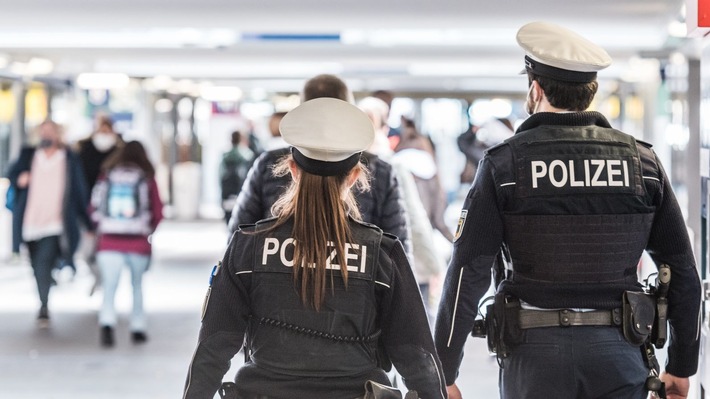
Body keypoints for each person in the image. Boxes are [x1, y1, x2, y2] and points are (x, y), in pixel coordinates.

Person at [435, 21, 701, 399]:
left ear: (535, 88)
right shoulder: (642, 164)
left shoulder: (505, 166)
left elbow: (467, 272)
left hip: (534, 354)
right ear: (590, 93)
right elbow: (681, 268)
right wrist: (682, 365)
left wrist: (442, 370)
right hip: (621, 350)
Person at [183, 98, 446, 399]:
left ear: (293, 170)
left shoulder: (247, 248)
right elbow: (417, 357)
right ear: (354, 176)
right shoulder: (383, 254)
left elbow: (212, 349)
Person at [227, 74, 411, 259]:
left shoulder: (269, 163)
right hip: (360, 281)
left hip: (273, 277)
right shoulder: (379, 169)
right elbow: (398, 252)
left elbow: (238, 238)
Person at [359, 96, 446, 317]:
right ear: (385, 127)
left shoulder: (344, 164)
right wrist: (433, 265)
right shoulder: (391, 166)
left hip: (359, 267)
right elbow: (413, 221)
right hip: (395, 263)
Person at [6, 119, 92, 327]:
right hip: (30, 221)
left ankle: (43, 306)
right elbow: (12, 173)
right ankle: (45, 289)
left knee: (44, 260)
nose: (46, 135)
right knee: (36, 263)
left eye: (50, 131)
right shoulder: (29, 155)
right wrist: (20, 178)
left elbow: (79, 191)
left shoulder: (68, 158)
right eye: (42, 131)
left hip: (56, 222)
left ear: (58, 134)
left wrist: (88, 222)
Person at [90, 141, 164, 347]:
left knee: (109, 286)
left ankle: (107, 323)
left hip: (109, 240)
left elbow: (93, 207)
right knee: (137, 285)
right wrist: (148, 230)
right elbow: (158, 210)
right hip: (137, 242)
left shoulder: (107, 174)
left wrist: (102, 228)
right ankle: (138, 327)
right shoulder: (146, 177)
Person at [76, 114, 124, 292]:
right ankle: (98, 275)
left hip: (114, 210)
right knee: (87, 251)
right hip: (88, 208)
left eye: (107, 130)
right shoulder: (84, 149)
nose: (104, 134)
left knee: (107, 249)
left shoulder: (121, 150)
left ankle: (105, 279)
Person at [219, 130, 255, 224]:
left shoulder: (225, 154)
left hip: (227, 188)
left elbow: (221, 173)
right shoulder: (247, 154)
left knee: (228, 213)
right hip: (240, 187)